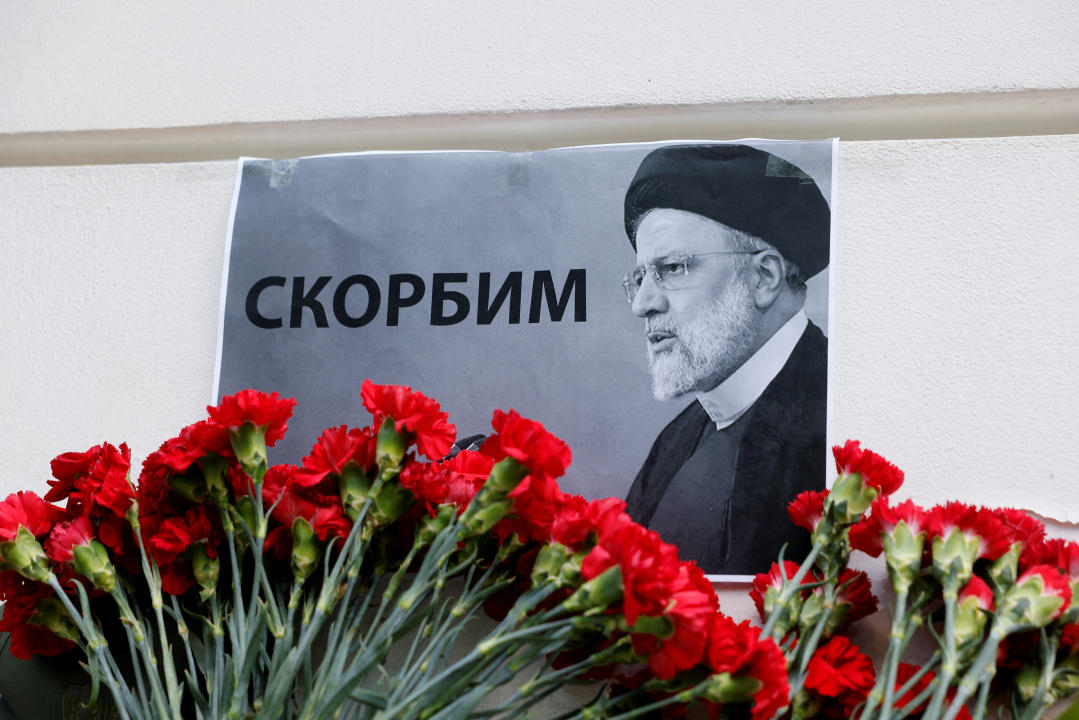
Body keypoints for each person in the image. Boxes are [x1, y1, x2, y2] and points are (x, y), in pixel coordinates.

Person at [621, 143, 830, 575]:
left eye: (674, 268)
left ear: (764, 277)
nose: (642, 305)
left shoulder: (836, 414)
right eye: (640, 277)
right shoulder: (674, 443)